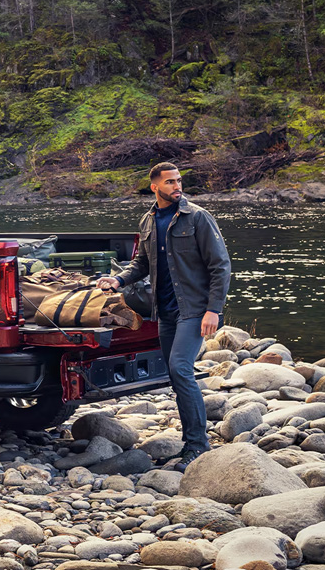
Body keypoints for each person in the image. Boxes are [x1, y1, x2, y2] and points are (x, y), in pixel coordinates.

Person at [97, 162, 232, 471]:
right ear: (155, 186)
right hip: (165, 312)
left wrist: (214, 309)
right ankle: (191, 441)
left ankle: (198, 445)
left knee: (180, 369)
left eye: (179, 181)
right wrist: (118, 281)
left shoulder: (197, 217)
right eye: (170, 182)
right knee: (175, 375)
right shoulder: (148, 220)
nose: (177, 186)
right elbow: (141, 263)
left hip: (194, 311)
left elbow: (220, 266)